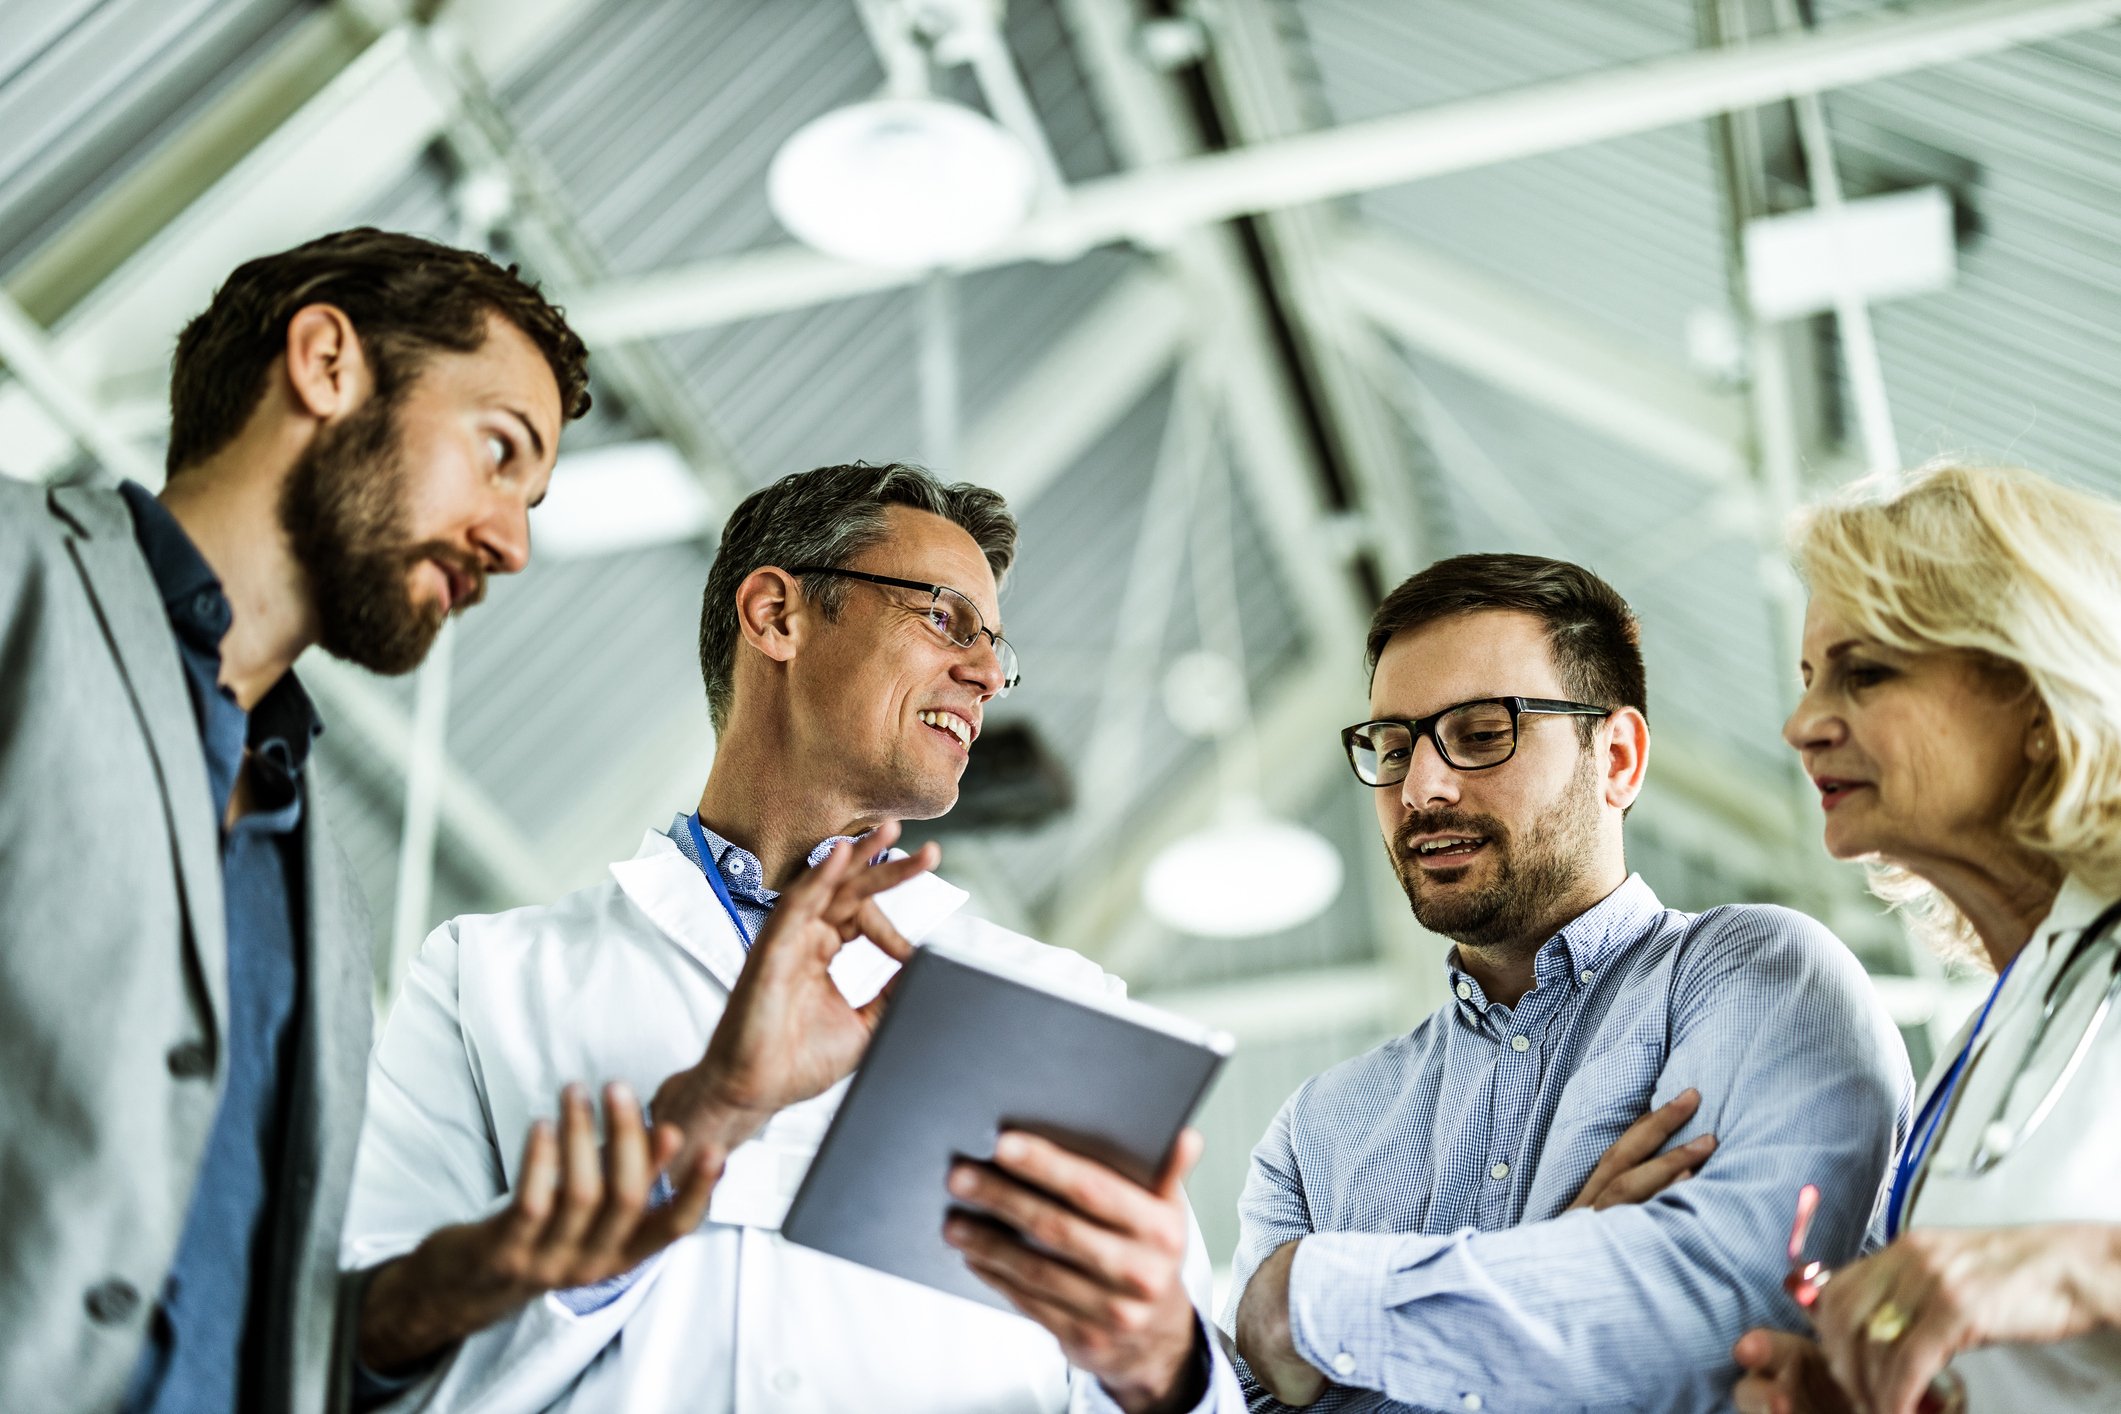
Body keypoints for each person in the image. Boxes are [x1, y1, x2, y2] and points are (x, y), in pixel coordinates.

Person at [341, 461, 1245, 1413]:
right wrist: (694, 1131)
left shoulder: (1062, 1005)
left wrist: (1159, 1366)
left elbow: (1188, 1390)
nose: (986, 673)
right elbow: (361, 1353)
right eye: (945, 617)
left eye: (994, 646)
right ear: (776, 615)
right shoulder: (487, 978)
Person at [0, 228, 588, 1412]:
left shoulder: (327, 892)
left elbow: (253, 1314)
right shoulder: (18, 578)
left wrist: (451, 1288)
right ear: (327, 362)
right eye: (496, 452)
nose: (511, 541)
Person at [1221, 553, 1913, 1412]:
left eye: (1482, 734)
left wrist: (1306, 1297)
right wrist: (1577, 1263)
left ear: (1617, 756)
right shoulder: (1316, 1132)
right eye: (1393, 749)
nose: (1421, 788)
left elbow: (1727, 1323)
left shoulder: (1757, 977)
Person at [1734, 462, 2121, 1414]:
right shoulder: (2002, 1025)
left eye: (1864, 672)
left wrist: (2081, 1271)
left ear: (2037, 697)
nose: (1800, 725)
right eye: (1809, 678)